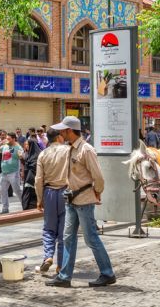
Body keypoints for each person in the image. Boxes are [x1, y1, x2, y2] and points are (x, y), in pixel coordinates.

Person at [46, 116, 115, 288]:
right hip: (71, 199)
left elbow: (98, 177)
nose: (60, 133)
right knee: (68, 237)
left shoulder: (86, 150)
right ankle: (64, 276)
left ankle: (107, 273)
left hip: (84, 200)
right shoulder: (70, 148)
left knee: (91, 238)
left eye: (63, 130)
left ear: (70, 131)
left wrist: (97, 192)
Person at [35, 128, 69, 274]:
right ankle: (60, 265)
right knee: (63, 232)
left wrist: (39, 198)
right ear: (60, 137)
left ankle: (48, 256)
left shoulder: (43, 154)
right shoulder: (68, 150)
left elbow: (38, 179)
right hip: (65, 192)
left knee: (49, 229)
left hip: (49, 192)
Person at [0, 132, 23, 214]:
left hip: (13, 173)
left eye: (9, 139)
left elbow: (22, 158)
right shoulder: (4, 146)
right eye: (7, 138)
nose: (7, 140)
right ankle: (5, 209)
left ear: (14, 139)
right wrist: (0, 144)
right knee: (3, 191)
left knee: (17, 190)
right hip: (4, 173)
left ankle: (25, 205)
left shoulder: (18, 147)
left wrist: (22, 171)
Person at [22, 138, 41, 210]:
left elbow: (34, 167)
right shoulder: (29, 154)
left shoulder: (37, 155)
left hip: (32, 181)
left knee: (30, 198)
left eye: (28, 144)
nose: (26, 146)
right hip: (28, 179)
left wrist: (29, 180)